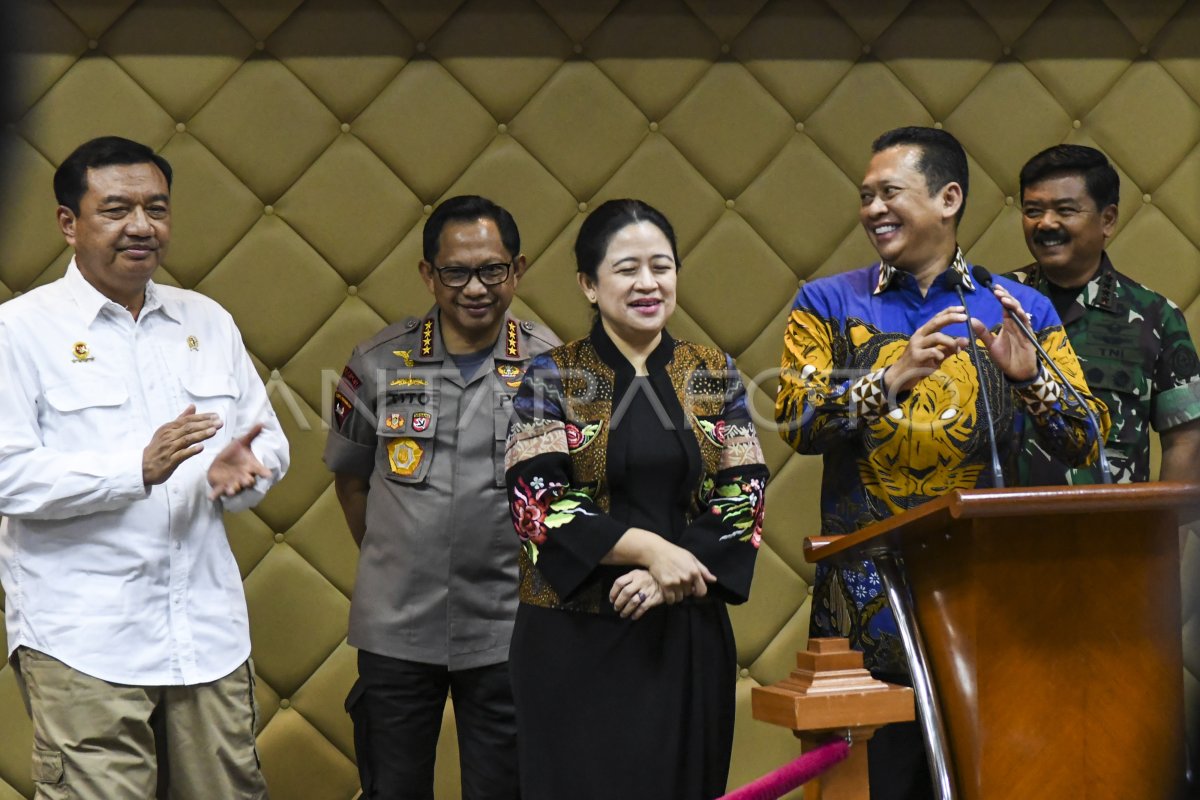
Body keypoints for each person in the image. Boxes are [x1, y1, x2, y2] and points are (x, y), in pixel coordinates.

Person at [774, 127, 1109, 799]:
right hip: (866, 615)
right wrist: (887, 379)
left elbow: (1087, 440)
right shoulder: (827, 302)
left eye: (889, 193)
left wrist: (1029, 381)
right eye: (865, 197)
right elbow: (794, 420)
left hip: (988, 607)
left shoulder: (1016, 306)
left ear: (948, 198)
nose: (872, 209)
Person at [0, 136, 289, 799]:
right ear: (68, 223)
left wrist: (244, 472)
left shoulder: (206, 320)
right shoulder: (18, 333)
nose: (142, 226)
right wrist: (136, 468)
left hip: (206, 632)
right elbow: (7, 474)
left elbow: (266, 441)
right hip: (83, 639)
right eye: (117, 208)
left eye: (156, 208)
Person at [503, 199, 767, 800]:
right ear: (589, 286)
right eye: (627, 269)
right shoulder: (553, 376)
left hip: (686, 636)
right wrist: (651, 550)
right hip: (574, 642)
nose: (648, 283)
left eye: (662, 266)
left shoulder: (712, 371)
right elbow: (536, 500)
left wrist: (670, 573)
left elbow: (745, 493)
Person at [323, 195, 559, 800]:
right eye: (456, 271)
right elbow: (351, 480)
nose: (474, 287)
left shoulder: (552, 369)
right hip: (397, 624)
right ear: (429, 273)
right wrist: (401, 556)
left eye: (492, 270)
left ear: (519, 269)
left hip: (509, 624)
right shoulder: (378, 362)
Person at [1009, 144, 1200, 485]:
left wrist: (1162, 530)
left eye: (1065, 210)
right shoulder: (994, 304)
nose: (1045, 223)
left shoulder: (1156, 317)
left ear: (1107, 219)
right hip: (1004, 528)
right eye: (1033, 210)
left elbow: (1186, 441)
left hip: (1114, 530)